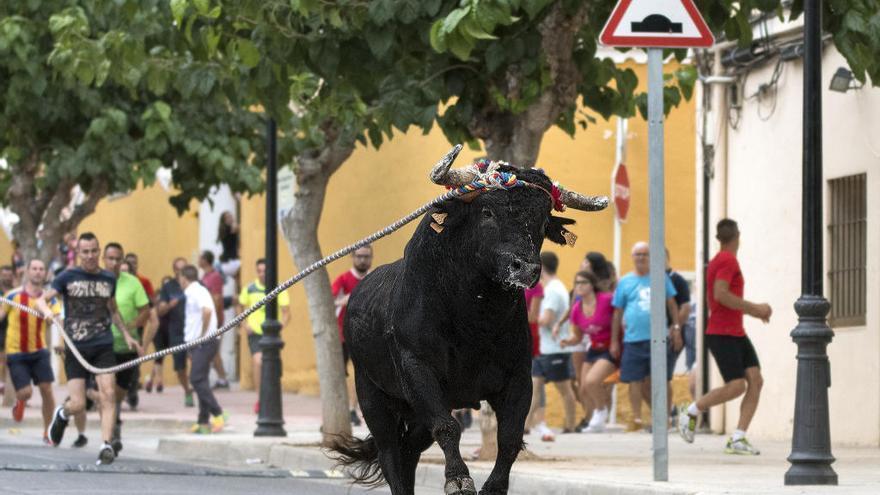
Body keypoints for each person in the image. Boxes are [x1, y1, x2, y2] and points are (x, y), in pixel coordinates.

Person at [38, 232, 141, 465]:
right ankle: (62, 414)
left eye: (94, 251)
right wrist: (46, 311)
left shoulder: (108, 278)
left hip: (103, 345)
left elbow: (113, 310)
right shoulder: (67, 276)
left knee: (108, 394)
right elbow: (42, 299)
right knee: (79, 404)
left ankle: (106, 445)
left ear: (99, 251)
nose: (90, 256)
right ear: (78, 253)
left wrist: (127, 336)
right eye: (85, 252)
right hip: (76, 346)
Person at [679, 219, 772, 455]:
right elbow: (721, 295)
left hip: (735, 332)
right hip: (722, 333)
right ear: (737, 235)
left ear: (718, 238)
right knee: (737, 386)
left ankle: (738, 438)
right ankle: (692, 411)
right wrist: (755, 309)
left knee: (756, 380)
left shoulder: (721, 260)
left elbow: (721, 295)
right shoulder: (727, 260)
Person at [609, 241, 682, 432]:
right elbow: (617, 313)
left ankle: (664, 418)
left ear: (651, 257)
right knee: (634, 380)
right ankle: (637, 419)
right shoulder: (625, 282)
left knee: (662, 379)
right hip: (633, 339)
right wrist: (614, 340)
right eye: (638, 254)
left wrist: (676, 327)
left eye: (645, 254)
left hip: (659, 338)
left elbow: (672, 305)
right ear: (632, 257)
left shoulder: (660, 278)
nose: (641, 258)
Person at [1, 259, 61, 443]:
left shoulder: (50, 298)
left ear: (45, 273)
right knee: (25, 393)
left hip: (39, 350)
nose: (37, 272)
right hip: (16, 352)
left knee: (46, 389)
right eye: (34, 268)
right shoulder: (13, 296)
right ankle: (20, 402)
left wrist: (63, 342)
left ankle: (48, 432)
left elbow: (59, 320)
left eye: (41, 269)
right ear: (27, 271)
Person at [104, 243, 151, 453]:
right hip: (102, 347)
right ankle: (111, 435)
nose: (114, 263)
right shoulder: (96, 282)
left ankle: (115, 422)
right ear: (103, 259)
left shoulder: (133, 283)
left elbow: (146, 312)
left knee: (118, 395)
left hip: (127, 347)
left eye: (118, 259)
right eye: (110, 258)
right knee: (107, 393)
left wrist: (130, 328)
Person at [525, 252, 577, 441]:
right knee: (535, 387)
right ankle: (526, 425)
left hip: (556, 349)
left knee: (564, 389)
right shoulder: (553, 287)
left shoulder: (553, 290)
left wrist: (529, 317)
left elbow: (546, 319)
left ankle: (571, 424)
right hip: (546, 349)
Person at [561, 271, 617, 433]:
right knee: (584, 387)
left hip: (610, 347)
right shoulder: (577, 309)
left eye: (583, 282)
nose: (579, 286)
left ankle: (601, 412)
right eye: (576, 283)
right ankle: (596, 417)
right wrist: (567, 342)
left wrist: (617, 340)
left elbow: (620, 315)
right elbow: (578, 336)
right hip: (594, 348)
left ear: (592, 285)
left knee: (593, 381)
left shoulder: (606, 300)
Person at [237, 258, 290, 414]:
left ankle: (271, 397)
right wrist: (244, 324)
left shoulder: (279, 287)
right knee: (258, 362)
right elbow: (240, 305)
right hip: (255, 333)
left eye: (265, 271)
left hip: (272, 333)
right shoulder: (250, 288)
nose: (262, 274)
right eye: (259, 271)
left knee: (273, 366)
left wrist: (280, 326)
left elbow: (286, 313)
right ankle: (260, 399)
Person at [179, 265, 226, 434]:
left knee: (196, 379)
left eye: (180, 279)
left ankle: (218, 413)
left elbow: (207, 311)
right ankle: (203, 421)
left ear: (183, 278)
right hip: (198, 343)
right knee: (202, 380)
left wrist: (202, 335)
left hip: (204, 342)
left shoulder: (195, 291)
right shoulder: (196, 291)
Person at [331, 245, 373, 426]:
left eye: (366, 256)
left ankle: (353, 409)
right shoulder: (343, 280)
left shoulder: (375, 278)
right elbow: (330, 302)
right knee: (340, 374)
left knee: (362, 374)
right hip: (343, 334)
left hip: (367, 335)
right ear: (352, 257)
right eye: (359, 256)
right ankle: (338, 411)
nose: (362, 260)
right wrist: (349, 298)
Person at [155, 258, 194, 407]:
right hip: (176, 332)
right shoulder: (168, 287)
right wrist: (170, 305)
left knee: (196, 361)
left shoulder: (196, 285)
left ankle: (196, 384)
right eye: (179, 269)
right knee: (179, 367)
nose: (182, 272)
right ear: (174, 271)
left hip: (194, 331)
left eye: (185, 268)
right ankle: (187, 390)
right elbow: (160, 309)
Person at [122, 252, 154, 409]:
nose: (132, 265)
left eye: (134, 263)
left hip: (136, 329)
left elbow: (148, 306)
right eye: (129, 263)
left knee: (133, 362)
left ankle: (132, 392)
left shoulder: (142, 282)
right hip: (116, 330)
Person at [198, 250, 229, 390]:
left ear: (205, 260)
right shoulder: (205, 276)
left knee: (213, 350)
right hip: (206, 318)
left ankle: (222, 379)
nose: (198, 260)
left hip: (214, 320)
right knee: (211, 350)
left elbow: (216, 299)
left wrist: (213, 320)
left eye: (200, 258)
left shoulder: (215, 277)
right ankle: (222, 378)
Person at [0, 264, 15, 396]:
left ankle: (4, 385)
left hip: (11, 327)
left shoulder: (15, 291)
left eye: (9, 276)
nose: (7, 278)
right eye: (4, 275)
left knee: (6, 358)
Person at [218, 212, 240, 287]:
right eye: (228, 217)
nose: (231, 218)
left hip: (226, 263)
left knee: (238, 280)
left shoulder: (222, 230)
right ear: (224, 220)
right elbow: (236, 228)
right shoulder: (228, 228)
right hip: (231, 262)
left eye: (231, 216)